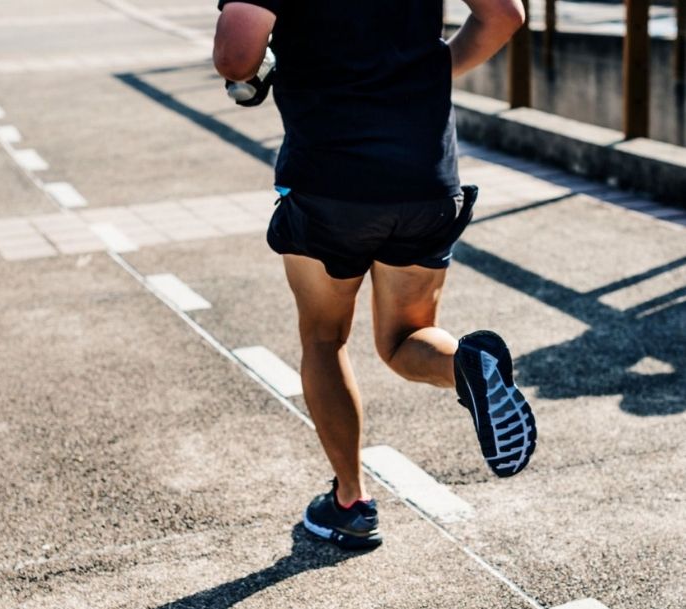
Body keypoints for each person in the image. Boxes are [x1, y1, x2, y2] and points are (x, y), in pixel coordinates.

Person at [212, 0, 537, 550]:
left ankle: (351, 504)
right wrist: (428, 72)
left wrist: (260, 67)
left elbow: (235, 53)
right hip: (425, 178)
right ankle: (466, 366)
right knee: (406, 337)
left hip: (330, 180)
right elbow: (505, 14)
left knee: (324, 339)